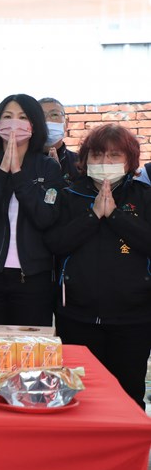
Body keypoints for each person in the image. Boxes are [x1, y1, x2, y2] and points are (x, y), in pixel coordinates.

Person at [44, 124, 151, 407]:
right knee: (81, 396)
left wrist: (115, 216)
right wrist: (93, 216)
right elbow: (56, 244)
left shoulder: (144, 196)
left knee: (128, 396)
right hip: (77, 316)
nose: (105, 163)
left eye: (114, 156)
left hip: (133, 318)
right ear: (86, 160)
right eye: (98, 155)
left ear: (129, 161)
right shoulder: (70, 195)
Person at [0, 94, 65, 327]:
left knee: (29, 349)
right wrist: (1, 174)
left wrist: (19, 175)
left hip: (33, 276)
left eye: (23, 117)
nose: (14, 123)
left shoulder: (48, 167)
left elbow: (45, 217)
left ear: (33, 125)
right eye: (7, 117)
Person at [39, 97, 79, 182]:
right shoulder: (23, 161)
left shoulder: (79, 162)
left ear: (66, 123)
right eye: (41, 116)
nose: (47, 121)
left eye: (54, 115)